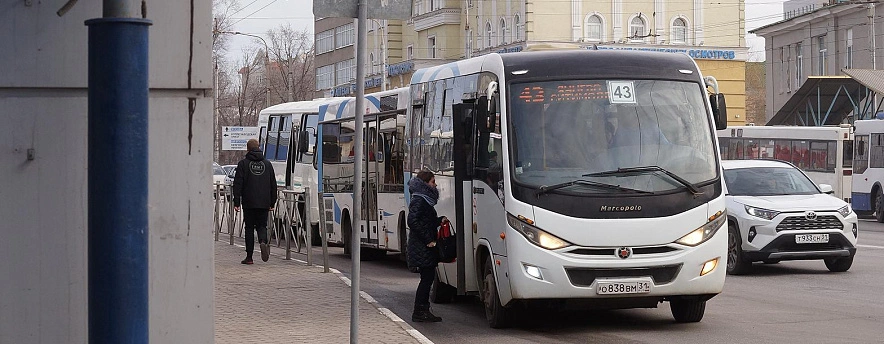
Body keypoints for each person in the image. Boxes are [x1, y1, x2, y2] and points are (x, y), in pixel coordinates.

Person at [406, 171, 446, 323]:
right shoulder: (419, 200)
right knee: (426, 279)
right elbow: (413, 221)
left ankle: (423, 310)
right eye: (432, 181)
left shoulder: (424, 200)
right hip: (422, 246)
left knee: (428, 278)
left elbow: (424, 221)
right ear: (425, 184)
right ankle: (420, 311)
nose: (435, 185)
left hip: (424, 246)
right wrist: (428, 239)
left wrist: (438, 221)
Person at [232, 139, 278, 265]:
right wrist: (272, 203)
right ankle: (263, 241)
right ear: (259, 147)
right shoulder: (267, 164)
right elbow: (273, 184)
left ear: (247, 149)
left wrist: (236, 202)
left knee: (249, 228)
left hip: (249, 202)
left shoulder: (243, 164)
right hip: (264, 202)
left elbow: (238, 184)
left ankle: (249, 257)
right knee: (262, 226)